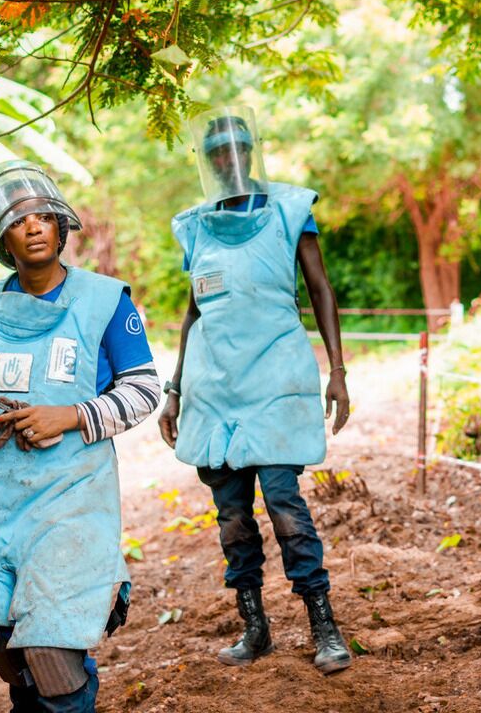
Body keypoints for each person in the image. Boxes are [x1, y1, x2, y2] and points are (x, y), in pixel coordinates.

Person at [0, 160, 162, 712]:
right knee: (5, 646)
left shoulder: (104, 302)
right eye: (19, 221)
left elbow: (143, 391)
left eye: (44, 216)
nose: (35, 227)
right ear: (2, 238)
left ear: (62, 227)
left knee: (51, 653)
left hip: (70, 497)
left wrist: (69, 417)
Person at [157, 107, 353, 675]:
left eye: (237, 149)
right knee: (232, 516)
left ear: (251, 151)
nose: (229, 159)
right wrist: (174, 389)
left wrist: (337, 370)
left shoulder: (290, 209)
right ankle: (255, 626)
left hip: (276, 376)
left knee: (284, 500)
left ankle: (324, 626)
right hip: (213, 384)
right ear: (209, 160)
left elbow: (320, 289)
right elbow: (194, 312)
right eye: (217, 152)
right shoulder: (195, 224)